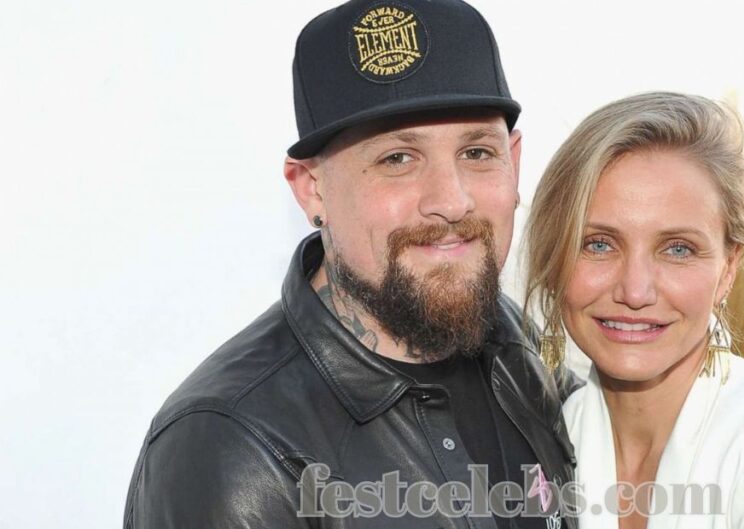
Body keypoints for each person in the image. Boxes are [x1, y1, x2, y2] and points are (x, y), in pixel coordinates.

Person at [123, 1, 577, 528]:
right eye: (397, 159)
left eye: (477, 153)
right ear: (312, 189)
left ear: (514, 163)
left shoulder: (514, 338)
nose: (452, 201)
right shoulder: (230, 449)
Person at [524, 92, 744, 528]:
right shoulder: (537, 444)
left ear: (728, 269)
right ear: (552, 258)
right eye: (598, 244)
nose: (635, 291)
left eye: (677, 249)